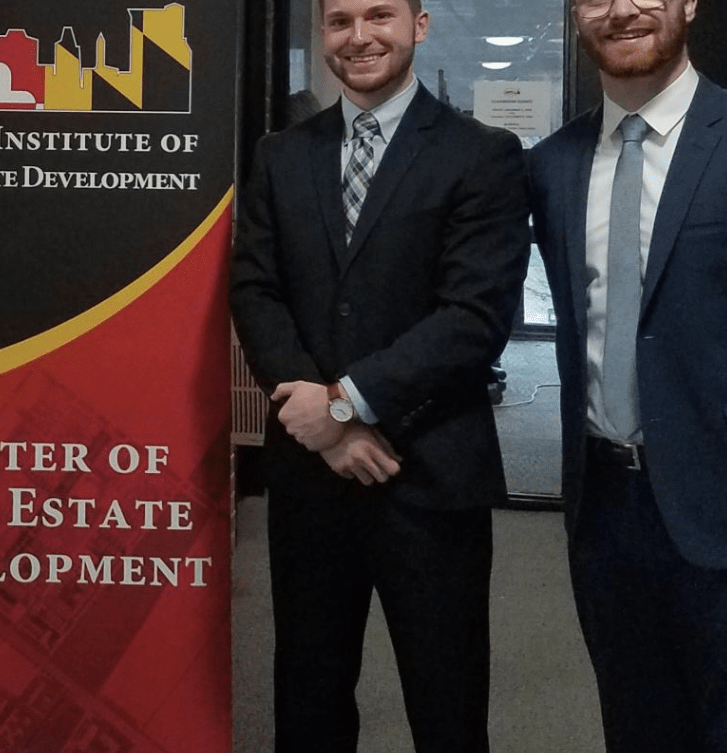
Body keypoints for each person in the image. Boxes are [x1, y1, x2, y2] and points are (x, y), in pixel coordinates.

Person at [228, 0, 530, 750]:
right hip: (308, 476)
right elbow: (255, 290)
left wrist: (344, 404)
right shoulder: (280, 154)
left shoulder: (481, 153)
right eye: (338, 21)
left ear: (418, 26)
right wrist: (319, 421)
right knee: (307, 691)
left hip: (427, 469)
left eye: (378, 16)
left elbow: (474, 313)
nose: (357, 36)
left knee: (446, 697)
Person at [529, 0, 727, 749]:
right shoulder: (552, 165)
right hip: (605, 509)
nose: (621, 10)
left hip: (715, 498)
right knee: (634, 721)